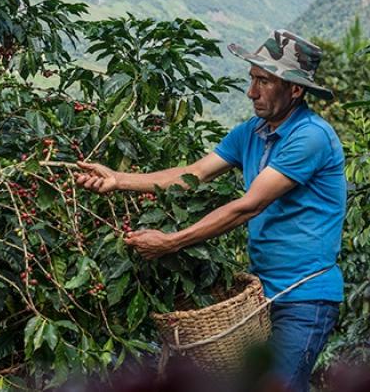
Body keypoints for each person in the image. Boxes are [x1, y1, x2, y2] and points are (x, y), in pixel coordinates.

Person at [75, 30, 346, 392]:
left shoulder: (310, 137)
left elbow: (248, 206)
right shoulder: (253, 131)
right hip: (261, 293)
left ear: (295, 90)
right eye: (252, 79)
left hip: (305, 297)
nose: (252, 92)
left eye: (264, 81)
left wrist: (172, 242)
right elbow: (194, 175)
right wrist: (118, 179)